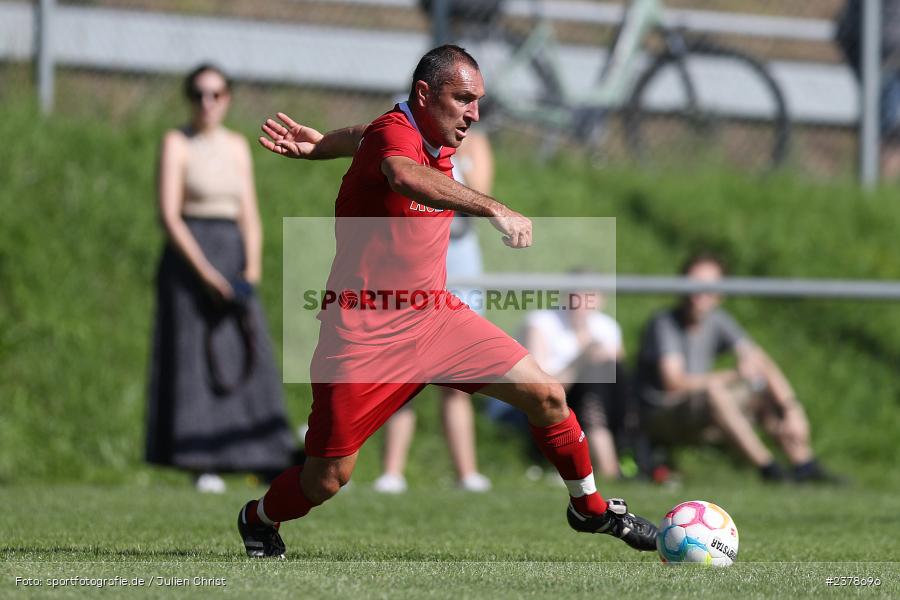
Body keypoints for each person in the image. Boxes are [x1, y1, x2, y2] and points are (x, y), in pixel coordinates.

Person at [236, 45, 657, 558]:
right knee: (326, 478)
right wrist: (493, 208)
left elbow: (362, 137)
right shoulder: (399, 136)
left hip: (435, 318)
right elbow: (402, 174)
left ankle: (588, 509)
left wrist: (324, 143)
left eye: (478, 101)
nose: (474, 113)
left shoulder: (425, 135)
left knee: (547, 396)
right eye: (463, 99)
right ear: (424, 95)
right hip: (362, 334)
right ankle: (258, 518)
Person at [145, 64, 295, 493]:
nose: (206, 103)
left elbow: (249, 212)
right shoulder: (177, 143)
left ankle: (261, 455)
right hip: (192, 258)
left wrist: (251, 269)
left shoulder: (236, 146)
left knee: (248, 353)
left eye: (215, 94)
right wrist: (207, 274)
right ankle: (200, 460)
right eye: (198, 94)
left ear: (227, 98)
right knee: (193, 356)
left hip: (233, 253)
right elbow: (170, 215)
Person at [635, 252, 843, 484]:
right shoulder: (664, 323)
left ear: (720, 292)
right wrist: (734, 375)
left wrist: (791, 408)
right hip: (662, 413)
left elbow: (760, 361)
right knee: (716, 390)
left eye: (708, 286)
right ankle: (770, 469)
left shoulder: (717, 319)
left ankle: (804, 464)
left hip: (700, 409)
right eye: (692, 283)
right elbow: (674, 382)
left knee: (759, 387)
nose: (699, 293)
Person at [373, 129, 495, 494]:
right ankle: (392, 472)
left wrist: (455, 159)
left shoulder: (476, 143)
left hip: (459, 255)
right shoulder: (407, 139)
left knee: (458, 374)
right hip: (414, 254)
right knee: (403, 367)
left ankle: (466, 473)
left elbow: (482, 199)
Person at [523, 286, 628, 480]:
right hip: (552, 402)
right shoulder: (542, 323)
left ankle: (608, 462)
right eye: (576, 294)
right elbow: (537, 388)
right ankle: (609, 467)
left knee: (603, 373)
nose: (581, 302)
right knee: (593, 376)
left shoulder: (608, 327)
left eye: (589, 295)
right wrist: (581, 361)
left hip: (600, 403)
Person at [835, 0, 900, 178]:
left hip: (875, 46)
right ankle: (875, 182)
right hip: (886, 52)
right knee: (888, 127)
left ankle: (871, 181)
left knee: (881, 123)